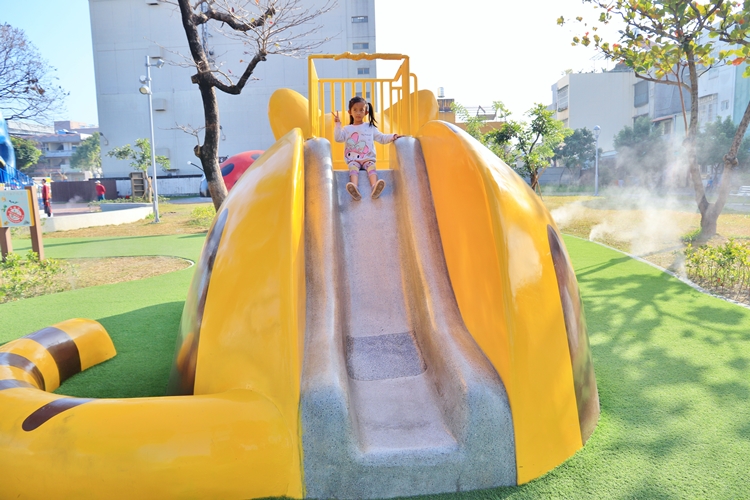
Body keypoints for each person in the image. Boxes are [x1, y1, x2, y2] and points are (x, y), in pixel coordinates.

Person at [333, 96, 400, 200]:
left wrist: (393, 136)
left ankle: (375, 187)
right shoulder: (347, 129)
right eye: (355, 110)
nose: (358, 113)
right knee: (353, 169)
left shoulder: (370, 127)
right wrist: (337, 124)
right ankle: (354, 188)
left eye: (361, 110)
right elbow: (338, 138)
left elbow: (382, 138)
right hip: (353, 159)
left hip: (368, 158)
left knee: (371, 168)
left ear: (366, 112)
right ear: (350, 112)